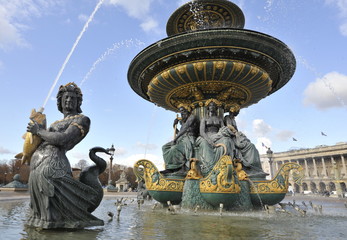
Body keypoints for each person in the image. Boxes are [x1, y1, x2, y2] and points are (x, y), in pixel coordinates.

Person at [26, 82, 103, 229]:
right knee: (41, 211)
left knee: (53, 209)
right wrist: (37, 126)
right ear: (60, 101)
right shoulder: (56, 123)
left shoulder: (82, 119)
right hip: (37, 165)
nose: (68, 101)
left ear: (78, 102)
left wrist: (39, 131)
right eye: (66, 98)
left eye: (72, 98)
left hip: (53, 165)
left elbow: (64, 139)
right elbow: (41, 139)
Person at [224, 105, 268, 178]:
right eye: (236, 112)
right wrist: (235, 132)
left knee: (251, 146)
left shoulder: (233, 120)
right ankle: (248, 165)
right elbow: (228, 126)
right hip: (231, 135)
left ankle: (253, 166)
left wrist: (239, 133)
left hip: (236, 135)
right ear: (232, 111)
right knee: (248, 146)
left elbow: (236, 129)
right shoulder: (227, 117)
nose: (237, 114)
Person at [196, 99, 235, 174]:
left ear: (216, 108)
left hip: (217, 135)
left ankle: (223, 164)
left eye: (214, 105)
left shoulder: (219, 119)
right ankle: (209, 166)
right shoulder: (204, 118)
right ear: (208, 108)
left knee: (227, 140)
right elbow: (202, 132)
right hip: (206, 135)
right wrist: (209, 140)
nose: (212, 107)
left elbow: (223, 129)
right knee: (205, 143)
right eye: (210, 105)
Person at [161, 104, 199, 174]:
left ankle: (178, 167)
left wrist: (175, 139)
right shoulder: (183, 122)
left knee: (174, 149)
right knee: (165, 147)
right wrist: (174, 126)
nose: (182, 113)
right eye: (181, 112)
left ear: (188, 111)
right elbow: (180, 132)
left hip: (189, 138)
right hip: (181, 138)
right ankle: (169, 167)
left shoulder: (192, 117)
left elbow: (185, 128)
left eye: (183, 111)